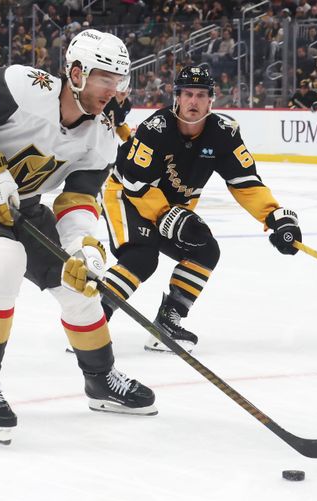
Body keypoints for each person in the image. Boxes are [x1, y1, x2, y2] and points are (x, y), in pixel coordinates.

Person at [0, 29, 156, 445]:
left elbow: (77, 199)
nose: (115, 90)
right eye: (106, 78)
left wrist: (82, 246)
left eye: (120, 81)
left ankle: (100, 379)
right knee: (3, 260)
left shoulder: (101, 136)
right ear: (78, 73)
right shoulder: (25, 86)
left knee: (79, 282)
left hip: (21, 207)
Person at [100, 64, 302, 353]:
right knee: (141, 257)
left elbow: (245, 182)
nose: (193, 101)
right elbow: (134, 182)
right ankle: (91, 320)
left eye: (201, 95)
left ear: (211, 99)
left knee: (205, 249)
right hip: (127, 197)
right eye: (188, 94)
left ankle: (167, 322)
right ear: (177, 97)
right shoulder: (155, 129)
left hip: (171, 209)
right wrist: (167, 214)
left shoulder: (223, 134)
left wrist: (274, 216)